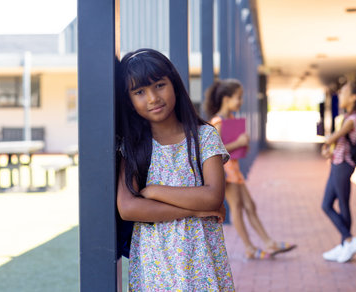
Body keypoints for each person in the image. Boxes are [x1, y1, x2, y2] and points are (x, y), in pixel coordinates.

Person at [116, 48, 235, 291]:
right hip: (155, 264)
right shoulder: (133, 146)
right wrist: (195, 211)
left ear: (174, 84)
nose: (152, 98)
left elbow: (213, 196)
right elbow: (129, 207)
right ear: (128, 100)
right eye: (139, 92)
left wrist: (153, 191)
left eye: (159, 85)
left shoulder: (204, 137)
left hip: (201, 258)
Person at [204, 79, 296, 260]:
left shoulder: (229, 120)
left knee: (250, 206)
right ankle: (250, 248)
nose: (241, 101)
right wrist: (238, 143)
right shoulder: (218, 121)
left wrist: (241, 145)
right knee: (237, 208)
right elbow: (213, 151)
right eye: (238, 97)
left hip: (234, 169)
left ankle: (268, 243)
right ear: (226, 98)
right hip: (226, 172)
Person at [321, 81, 356, 263]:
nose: (340, 95)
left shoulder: (353, 119)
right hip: (337, 163)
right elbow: (336, 142)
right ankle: (346, 243)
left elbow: (334, 138)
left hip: (343, 165)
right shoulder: (350, 117)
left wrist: (328, 142)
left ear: (354, 97)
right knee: (327, 204)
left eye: (344, 92)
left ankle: (349, 240)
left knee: (342, 204)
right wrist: (328, 147)